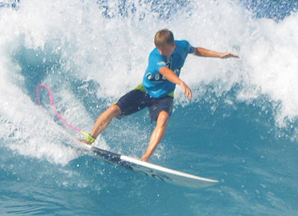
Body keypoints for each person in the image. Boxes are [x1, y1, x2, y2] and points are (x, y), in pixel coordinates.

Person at [86, 29, 238, 162]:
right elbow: (165, 71)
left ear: (173, 45)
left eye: (163, 49)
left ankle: (145, 158)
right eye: (158, 48)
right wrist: (181, 82)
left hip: (164, 95)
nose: (160, 52)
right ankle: (90, 139)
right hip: (144, 91)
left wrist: (220, 55)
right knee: (113, 110)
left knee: (163, 118)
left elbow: (197, 50)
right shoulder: (155, 56)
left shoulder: (183, 46)